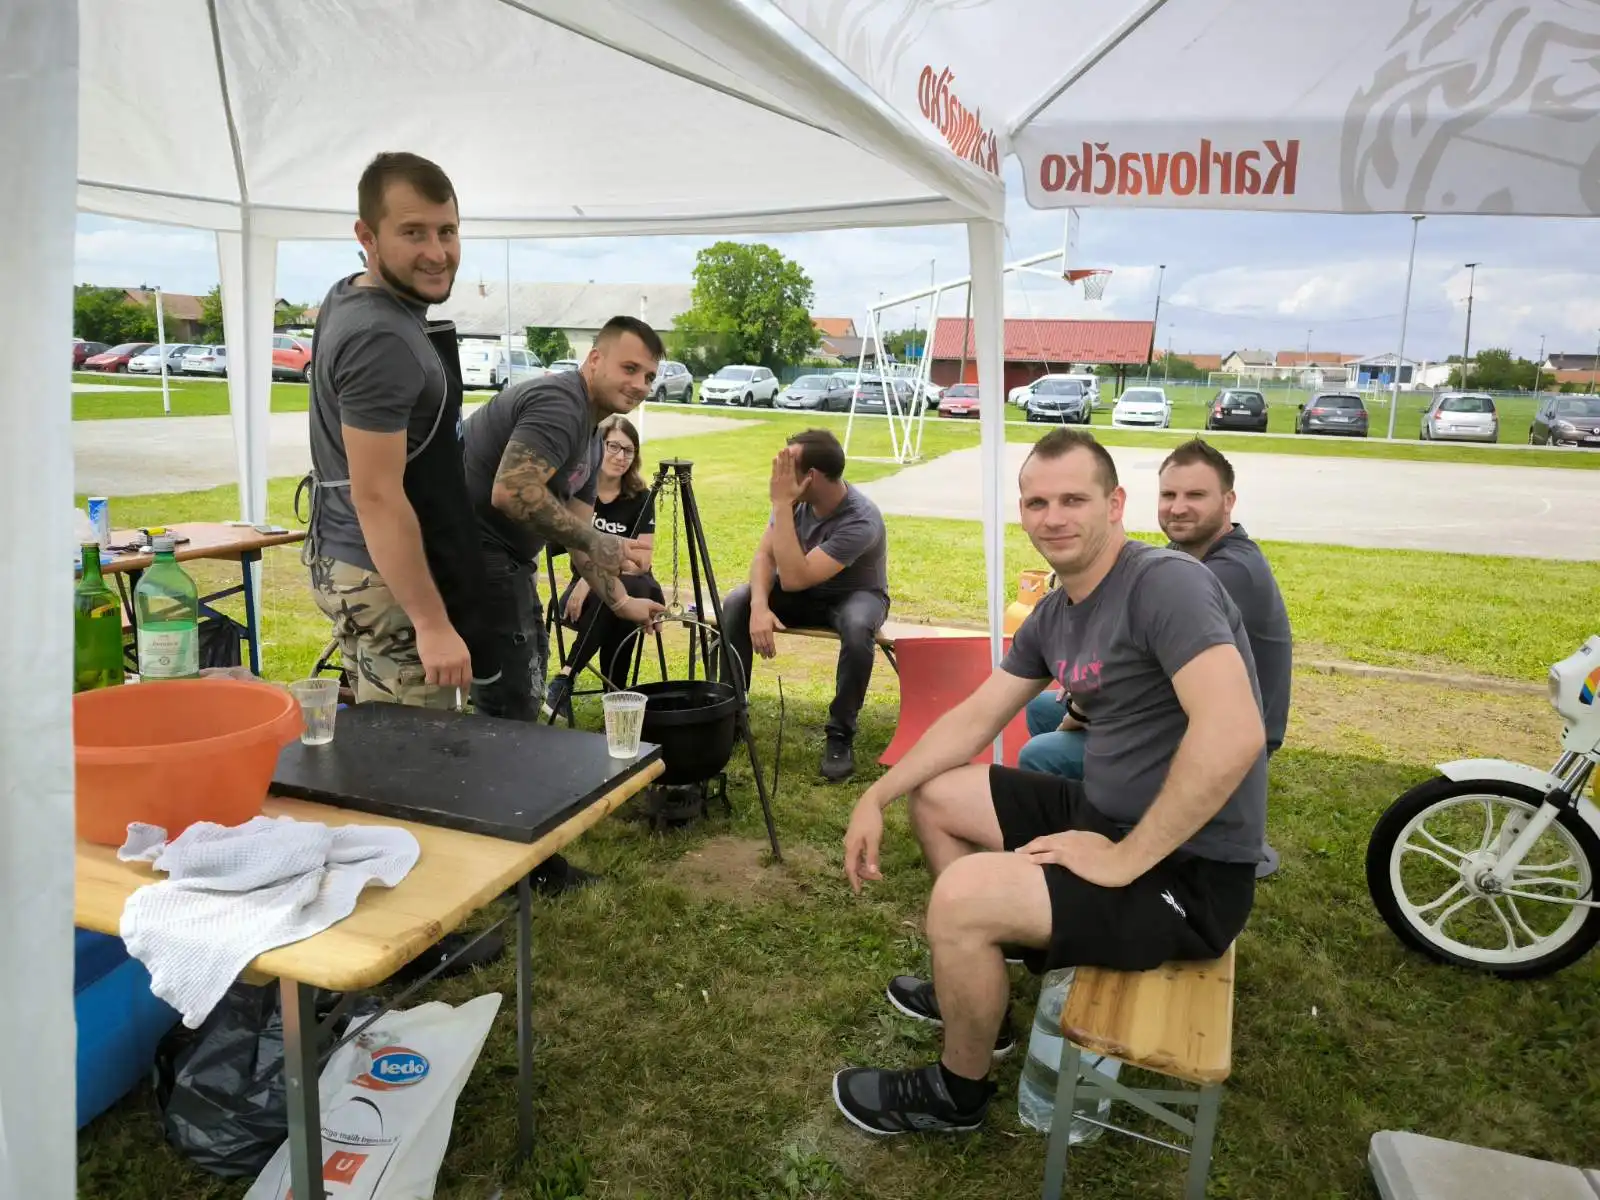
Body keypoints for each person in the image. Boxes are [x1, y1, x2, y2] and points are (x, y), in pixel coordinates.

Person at [831, 428, 1267, 1137]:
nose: (1052, 517)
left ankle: (956, 1093)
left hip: (1190, 874)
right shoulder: (1058, 610)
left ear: (1116, 503)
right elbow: (974, 719)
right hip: (1105, 816)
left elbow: (1235, 733)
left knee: (963, 897)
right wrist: (873, 794)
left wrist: (1125, 857)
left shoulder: (1167, 584)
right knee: (939, 796)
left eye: (1073, 499)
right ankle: (983, 1002)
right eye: (1036, 502)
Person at [1017, 438, 1292, 879]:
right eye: (1169, 495)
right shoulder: (1188, 557)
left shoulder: (1216, 574)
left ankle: (1085, 858)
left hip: (1198, 728)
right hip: (1168, 704)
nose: (1178, 508)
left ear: (1228, 501)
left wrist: (1079, 707)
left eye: (1195, 495)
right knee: (1038, 708)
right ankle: (1106, 815)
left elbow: (1124, 668)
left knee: (1040, 753)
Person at [462, 317, 667, 891]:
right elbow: (513, 491)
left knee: (517, 705)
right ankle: (522, 867)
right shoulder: (560, 403)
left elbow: (580, 536)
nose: (639, 384)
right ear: (595, 360)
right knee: (511, 714)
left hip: (505, 564)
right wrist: (600, 541)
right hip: (477, 561)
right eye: (629, 368)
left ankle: (515, 854)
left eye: (649, 376)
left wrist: (622, 600)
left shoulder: (593, 432)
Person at [304, 150, 501, 708]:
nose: (437, 253)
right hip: (382, 578)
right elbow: (377, 494)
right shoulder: (381, 337)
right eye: (413, 232)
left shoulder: (351, 293)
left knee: (378, 744)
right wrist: (432, 624)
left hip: (351, 558)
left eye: (448, 231)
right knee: (419, 763)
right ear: (366, 234)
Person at [717, 429, 889, 781]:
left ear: (810, 477)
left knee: (858, 628)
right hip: (807, 594)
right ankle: (729, 716)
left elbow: (796, 577)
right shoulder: (794, 503)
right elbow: (764, 556)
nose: (778, 474)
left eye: (787, 466)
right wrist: (760, 607)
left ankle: (840, 734)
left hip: (855, 597)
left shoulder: (860, 519)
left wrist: (780, 504)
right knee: (738, 602)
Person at [549, 413, 665, 700]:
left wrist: (591, 581)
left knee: (624, 590)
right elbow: (564, 542)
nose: (621, 456)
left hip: (620, 584)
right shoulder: (578, 493)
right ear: (598, 447)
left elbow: (642, 562)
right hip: (583, 589)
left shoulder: (640, 498)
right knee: (619, 600)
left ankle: (566, 675)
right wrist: (590, 578)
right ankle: (618, 696)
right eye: (613, 446)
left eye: (628, 450)